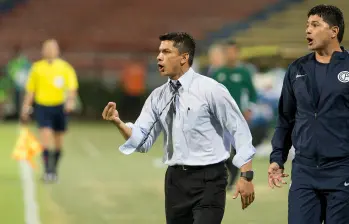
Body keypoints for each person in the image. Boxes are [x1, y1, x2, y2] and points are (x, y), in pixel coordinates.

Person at [102, 32, 256, 224]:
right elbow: (141, 141)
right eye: (159, 52)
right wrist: (119, 123)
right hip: (175, 181)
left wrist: (246, 175)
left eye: (166, 52)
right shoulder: (158, 96)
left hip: (210, 179)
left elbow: (239, 129)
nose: (159, 57)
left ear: (184, 57)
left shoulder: (210, 89)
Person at [268, 4, 349, 224]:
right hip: (304, 171)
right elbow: (285, 119)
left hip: (342, 170)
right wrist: (277, 158)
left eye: (315, 25)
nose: (308, 31)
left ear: (334, 31)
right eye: (307, 25)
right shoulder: (296, 69)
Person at [21, 39, 79, 182]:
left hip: (59, 107)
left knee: (58, 141)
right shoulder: (37, 68)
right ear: (43, 51)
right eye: (47, 48)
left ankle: (54, 170)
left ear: (57, 50)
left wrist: (70, 102)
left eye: (52, 48)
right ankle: (47, 171)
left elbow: (72, 88)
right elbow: (31, 90)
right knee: (45, 137)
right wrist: (26, 107)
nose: (50, 51)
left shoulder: (65, 68)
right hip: (43, 107)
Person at [211, 40, 258, 191]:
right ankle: (222, 179)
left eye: (233, 51)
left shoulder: (244, 72)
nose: (230, 54)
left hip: (239, 118)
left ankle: (231, 182)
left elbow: (252, 94)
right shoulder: (218, 72)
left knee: (237, 152)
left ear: (237, 53)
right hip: (220, 118)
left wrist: (249, 109)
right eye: (228, 52)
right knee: (220, 151)